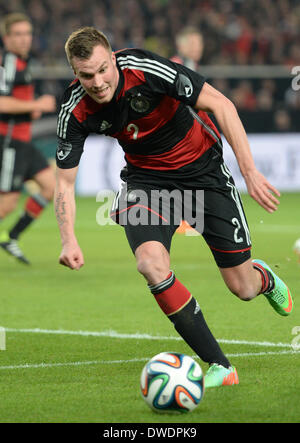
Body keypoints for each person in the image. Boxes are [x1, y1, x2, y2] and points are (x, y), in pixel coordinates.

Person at [54, 27, 293, 388]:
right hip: (146, 184)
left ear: (113, 58)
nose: (98, 82)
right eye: (87, 75)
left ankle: (264, 278)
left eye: (103, 69)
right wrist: (68, 238)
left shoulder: (146, 69)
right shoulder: (75, 110)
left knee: (243, 288)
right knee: (150, 265)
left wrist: (250, 172)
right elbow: (64, 183)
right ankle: (220, 366)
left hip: (203, 173)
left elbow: (221, 104)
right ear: (76, 73)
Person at [0, 13, 56, 264]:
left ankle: (11, 236)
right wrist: (36, 103)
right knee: (7, 204)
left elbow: (17, 103)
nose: (24, 39)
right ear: (7, 38)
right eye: (18, 34)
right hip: (10, 141)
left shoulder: (24, 63)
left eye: (27, 34)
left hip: (24, 141)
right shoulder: (8, 63)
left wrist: (29, 108)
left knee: (51, 187)